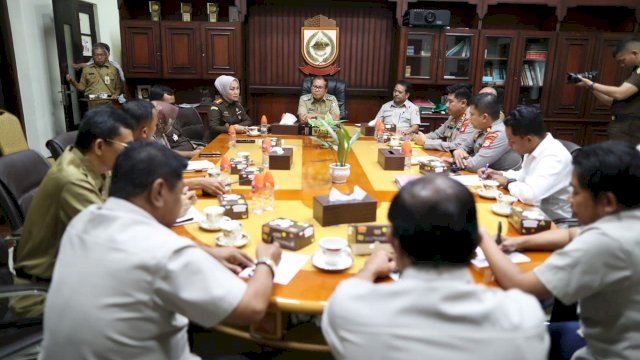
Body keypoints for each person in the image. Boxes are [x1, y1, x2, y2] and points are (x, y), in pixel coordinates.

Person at [40, 141, 282, 359]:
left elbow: (137, 249)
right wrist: (266, 261)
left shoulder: (84, 220)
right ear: (158, 193)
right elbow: (251, 308)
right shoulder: (166, 252)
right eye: (179, 194)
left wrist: (207, 252)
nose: (182, 202)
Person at [322, 175, 549, 360]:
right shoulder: (524, 316)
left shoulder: (350, 307)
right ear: (474, 243)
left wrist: (368, 270)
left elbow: (351, 293)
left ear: (392, 241)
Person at [479, 141, 640, 360]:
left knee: (506, 340)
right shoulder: (626, 219)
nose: (568, 199)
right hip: (616, 333)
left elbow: (522, 285)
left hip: (609, 352)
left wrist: (482, 238)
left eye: (574, 191)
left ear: (607, 201)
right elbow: (570, 234)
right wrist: (519, 243)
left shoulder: (604, 242)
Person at [11, 106, 135, 317]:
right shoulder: (72, 180)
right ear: (99, 146)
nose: (131, 152)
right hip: (46, 292)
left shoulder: (89, 163)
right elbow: (110, 242)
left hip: (75, 274)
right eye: (127, 146)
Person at [478, 105, 573, 223]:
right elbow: (523, 175)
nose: (509, 145)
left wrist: (507, 183)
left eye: (512, 141)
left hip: (554, 222)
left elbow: (531, 195)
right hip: (532, 213)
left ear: (529, 139)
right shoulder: (534, 147)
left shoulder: (554, 156)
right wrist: (499, 174)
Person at [151, 100, 225, 196]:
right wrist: (199, 182)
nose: (169, 123)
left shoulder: (160, 132)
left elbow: (166, 153)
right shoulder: (146, 140)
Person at [577, 36, 640, 146]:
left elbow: (620, 93)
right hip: (623, 127)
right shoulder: (635, 72)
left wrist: (591, 84)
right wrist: (591, 87)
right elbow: (611, 100)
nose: (622, 65)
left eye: (623, 60)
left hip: (631, 129)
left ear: (635, 53)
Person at [450, 93, 522, 171]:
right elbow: (462, 147)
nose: (468, 118)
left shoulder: (499, 133)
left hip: (503, 179)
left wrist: (459, 159)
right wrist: (457, 152)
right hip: (485, 175)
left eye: (471, 114)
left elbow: (474, 165)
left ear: (484, 117)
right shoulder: (482, 127)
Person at [414, 83, 474, 150]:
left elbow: (457, 146)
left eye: (450, 102)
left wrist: (425, 142)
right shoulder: (454, 115)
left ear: (463, 103)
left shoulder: (472, 119)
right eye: (447, 101)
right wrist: (418, 137)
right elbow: (437, 134)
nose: (446, 105)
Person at [66, 43, 123, 108]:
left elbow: (119, 87)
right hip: (93, 106)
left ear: (106, 55)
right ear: (92, 56)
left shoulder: (113, 69)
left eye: (102, 55)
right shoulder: (87, 69)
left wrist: (115, 95)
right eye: (96, 55)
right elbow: (81, 88)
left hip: (110, 105)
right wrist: (73, 82)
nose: (99, 57)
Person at [206, 75, 253, 141]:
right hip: (216, 141)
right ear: (224, 90)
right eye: (232, 89)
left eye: (237, 88)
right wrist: (233, 128)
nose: (236, 92)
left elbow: (248, 121)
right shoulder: (216, 106)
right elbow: (213, 127)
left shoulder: (237, 104)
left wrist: (237, 127)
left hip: (231, 139)